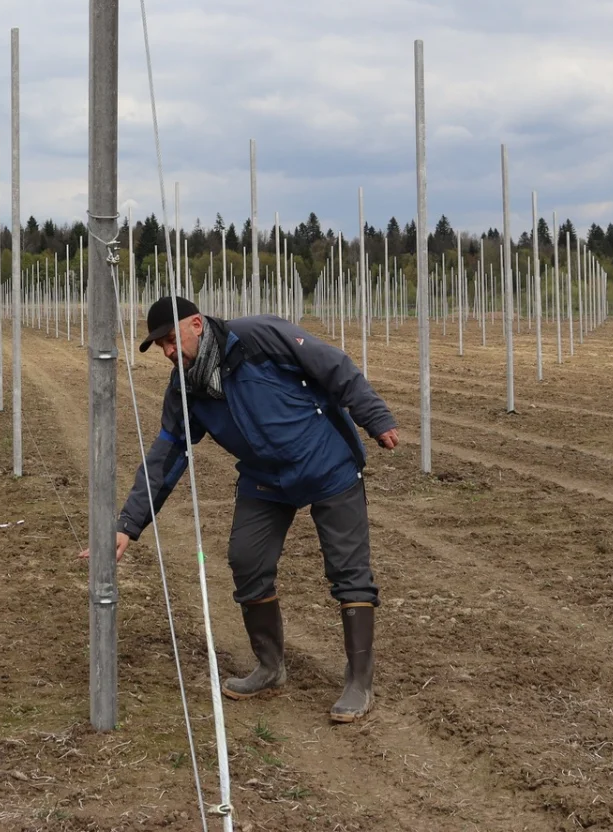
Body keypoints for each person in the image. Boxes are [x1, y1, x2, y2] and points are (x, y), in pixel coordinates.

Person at [101, 296, 398, 723]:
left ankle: (358, 683)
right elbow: (167, 454)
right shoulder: (185, 388)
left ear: (197, 325)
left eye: (169, 340)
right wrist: (128, 524)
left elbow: (333, 365)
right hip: (265, 478)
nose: (167, 352)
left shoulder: (260, 337)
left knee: (348, 569)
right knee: (246, 559)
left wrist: (375, 416)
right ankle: (269, 667)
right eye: (160, 347)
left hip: (326, 462)